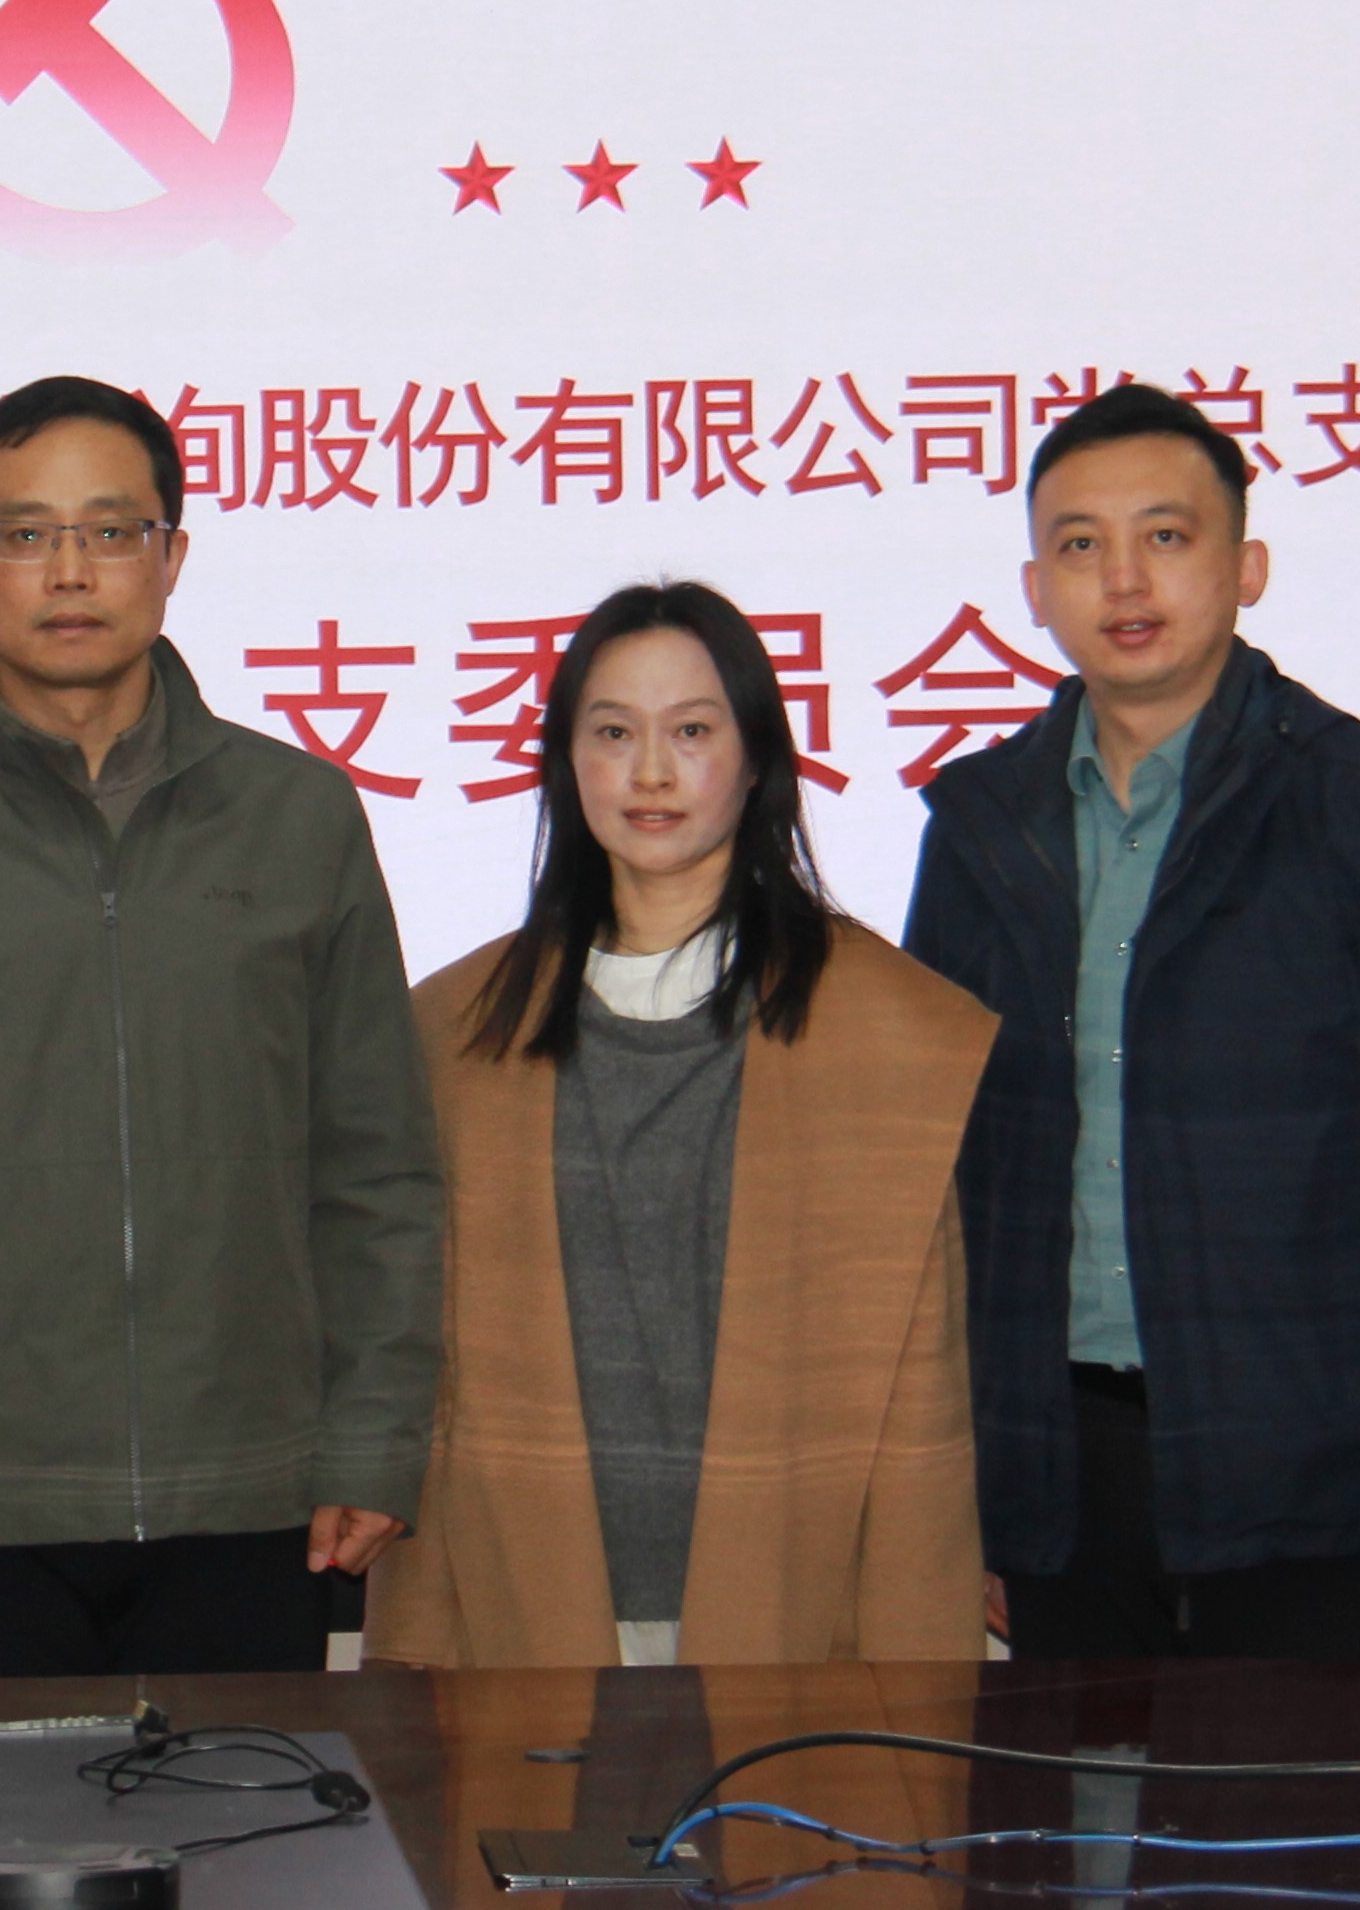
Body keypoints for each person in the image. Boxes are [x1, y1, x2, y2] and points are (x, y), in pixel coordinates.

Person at [0, 374, 443, 1679]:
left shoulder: (298, 817)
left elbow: (378, 1166)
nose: (70, 571)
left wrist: (375, 1439)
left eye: (111, 530)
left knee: (249, 1818)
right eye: (25, 532)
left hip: (251, 1496)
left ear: (171, 554)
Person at [903, 383, 1360, 1706]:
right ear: (1034, 589)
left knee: (1315, 1823)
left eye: (1166, 535)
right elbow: (941, 1175)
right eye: (1080, 544)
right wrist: (973, 1487)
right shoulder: (979, 824)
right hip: (1066, 1471)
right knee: (1082, 1823)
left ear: (1245, 566)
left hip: (1317, 1457)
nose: (1123, 579)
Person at [367, 582, 994, 1669]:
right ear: (565, 761)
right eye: (613, 733)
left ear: (757, 760)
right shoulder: (451, 1034)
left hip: (810, 1599)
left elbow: (935, 1381)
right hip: (523, 1591)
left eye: (693, 731)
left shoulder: (900, 1032)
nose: (650, 772)